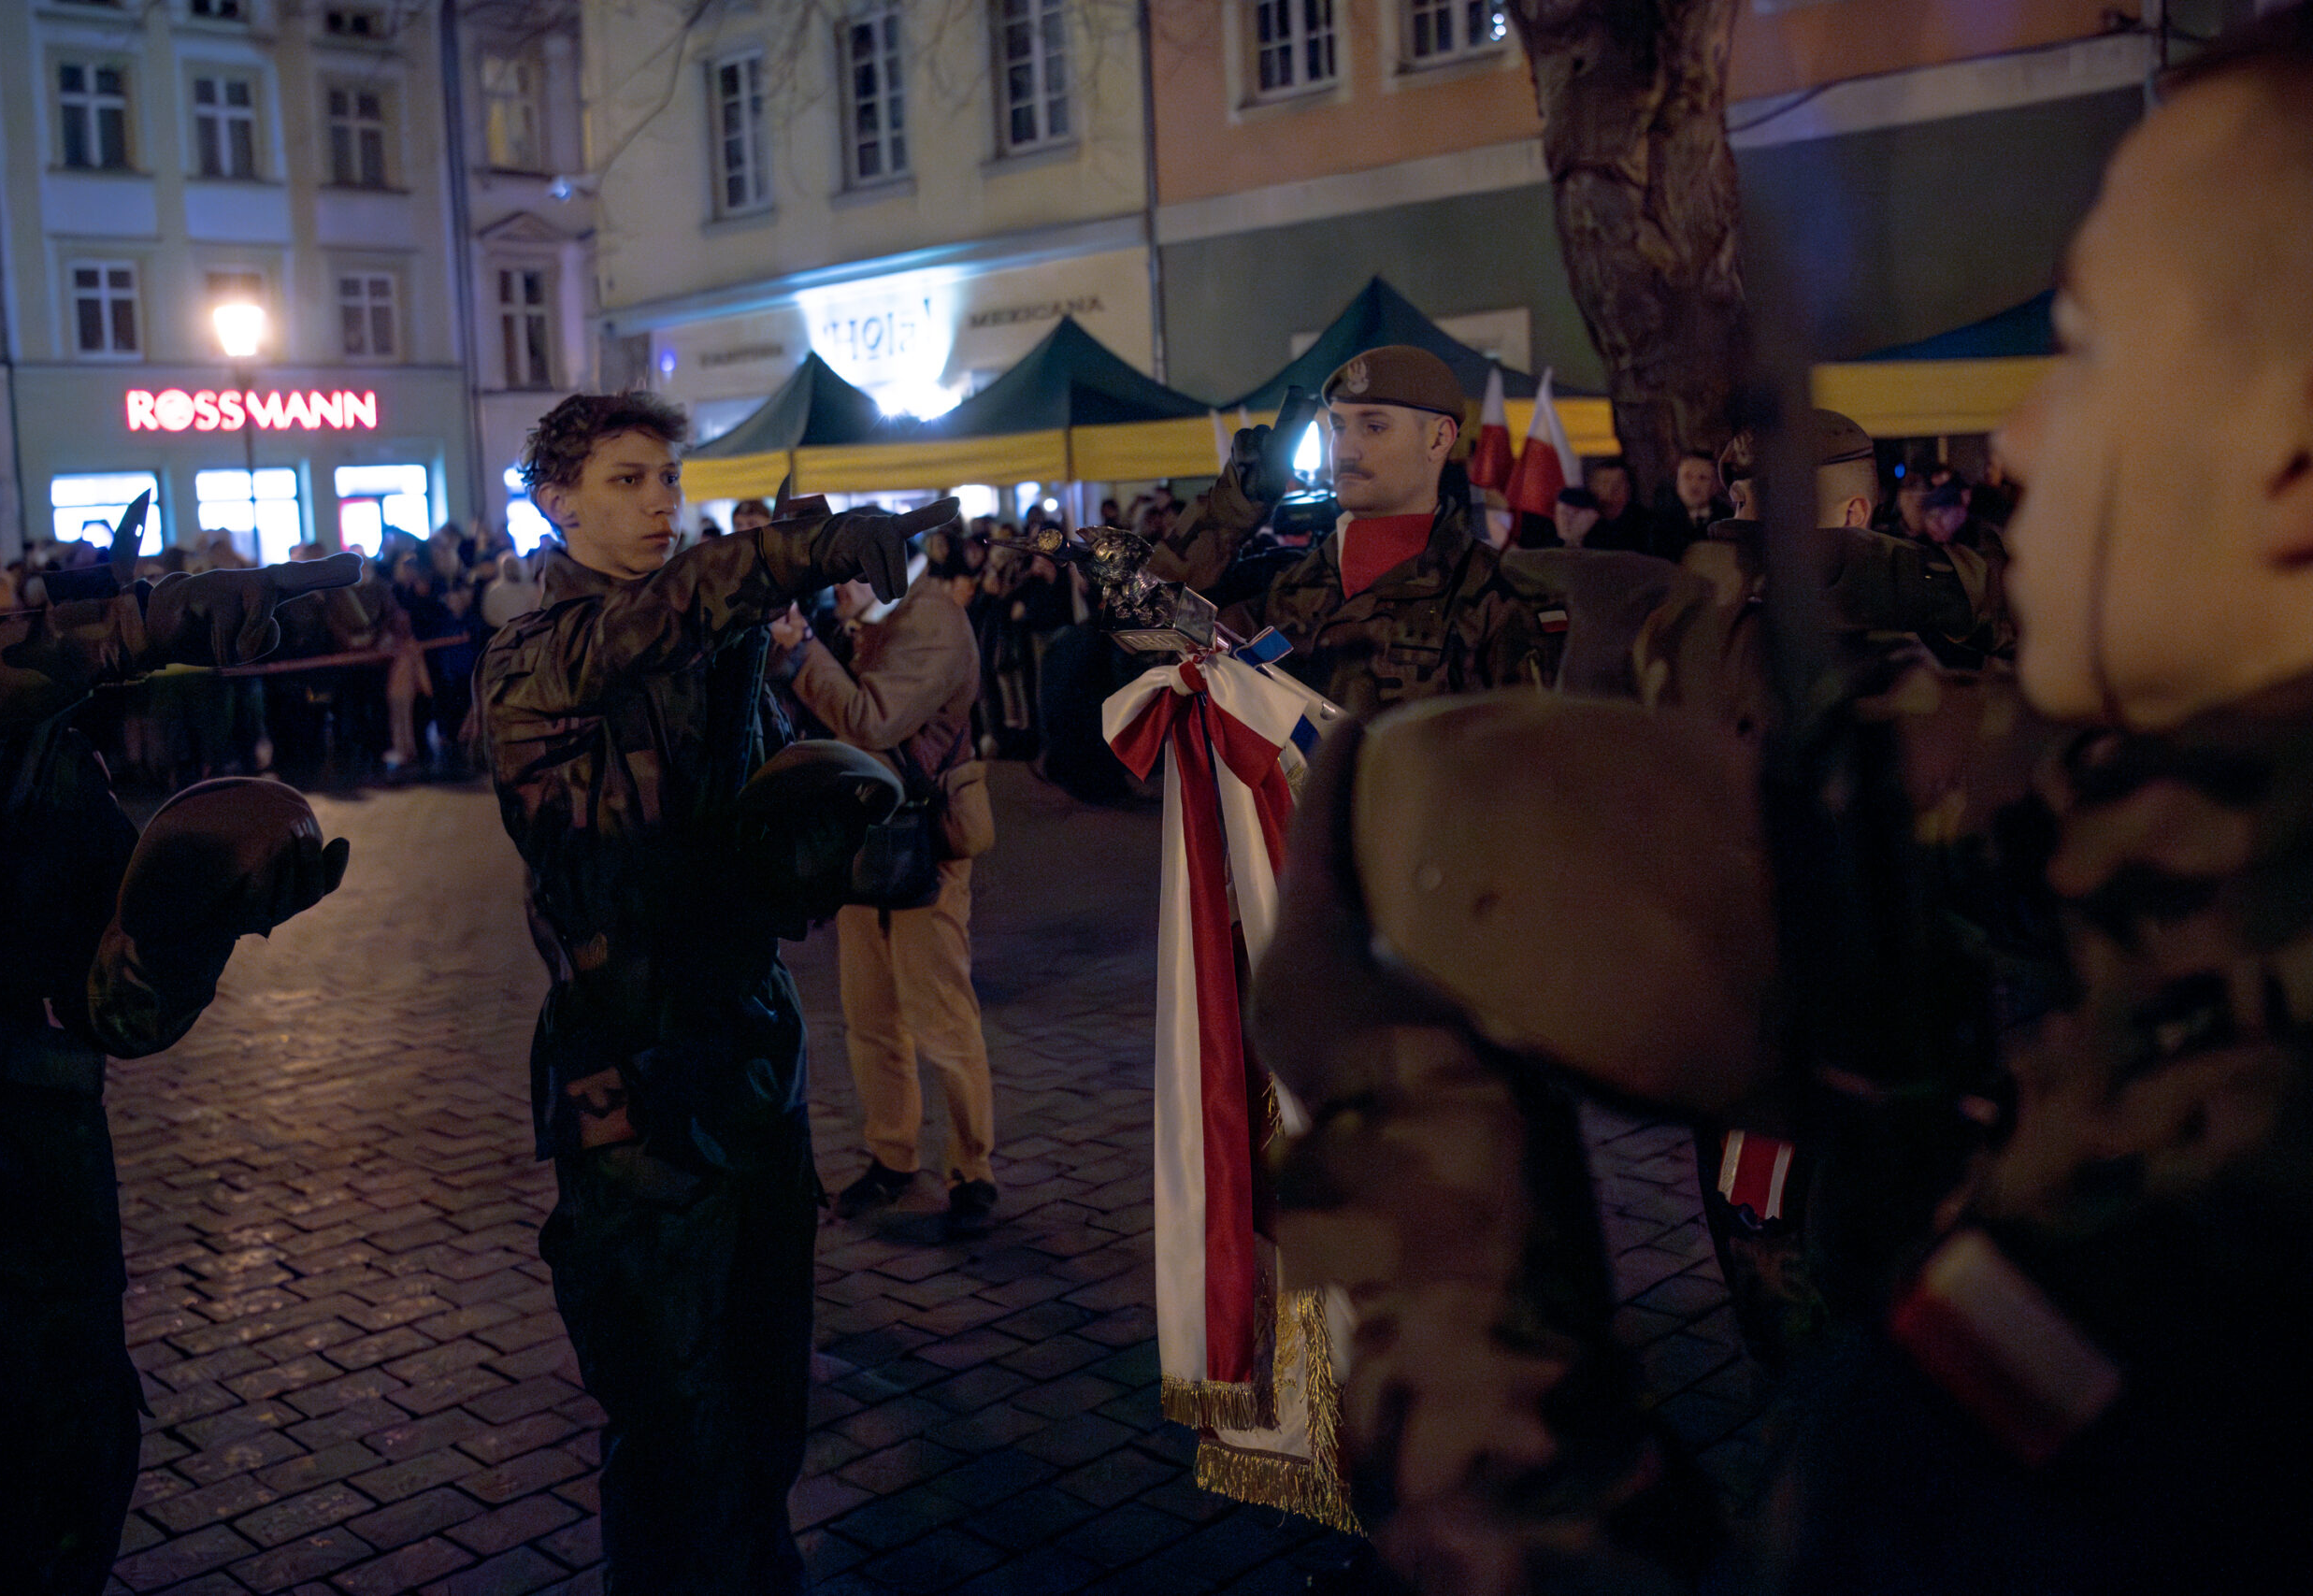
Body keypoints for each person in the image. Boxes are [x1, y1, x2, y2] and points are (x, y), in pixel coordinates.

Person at [1250, 8, 2313, 1590]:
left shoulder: (2225, 1218)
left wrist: (1429, 1180)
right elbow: (1993, 776)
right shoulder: (2218, 907)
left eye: (2088, 351)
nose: (2023, 441)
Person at [478, 391, 955, 1595]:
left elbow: (748, 830)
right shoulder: (536, 655)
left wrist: (814, 843)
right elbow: (648, 630)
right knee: (669, 1414)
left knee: (765, 1388)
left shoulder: (712, 643)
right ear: (556, 501)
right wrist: (781, 559)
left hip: (749, 1051)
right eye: (628, 480)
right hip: (630, 1072)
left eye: (668, 481)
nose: (659, 504)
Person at [0, 552, 356, 1596]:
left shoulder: (44, 761)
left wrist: (185, 927)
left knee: (60, 1510)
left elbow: (109, 1009)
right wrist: (141, 627)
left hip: (37, 1240)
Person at [771, 529, 999, 1237]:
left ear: (886, 570)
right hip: (866, 839)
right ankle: (893, 1156)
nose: (837, 587)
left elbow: (874, 718)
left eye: (847, 573)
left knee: (941, 1019)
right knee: (870, 1016)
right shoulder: (877, 618)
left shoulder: (931, 621)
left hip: (925, 838)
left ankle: (972, 1169)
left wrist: (802, 653)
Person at [1147, 344, 1559, 712]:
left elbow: (1531, 761)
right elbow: (1150, 639)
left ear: (1438, 439)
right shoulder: (1280, 584)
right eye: (1340, 427)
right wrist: (1234, 505)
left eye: (1374, 427)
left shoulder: (1502, 601)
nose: (1346, 447)